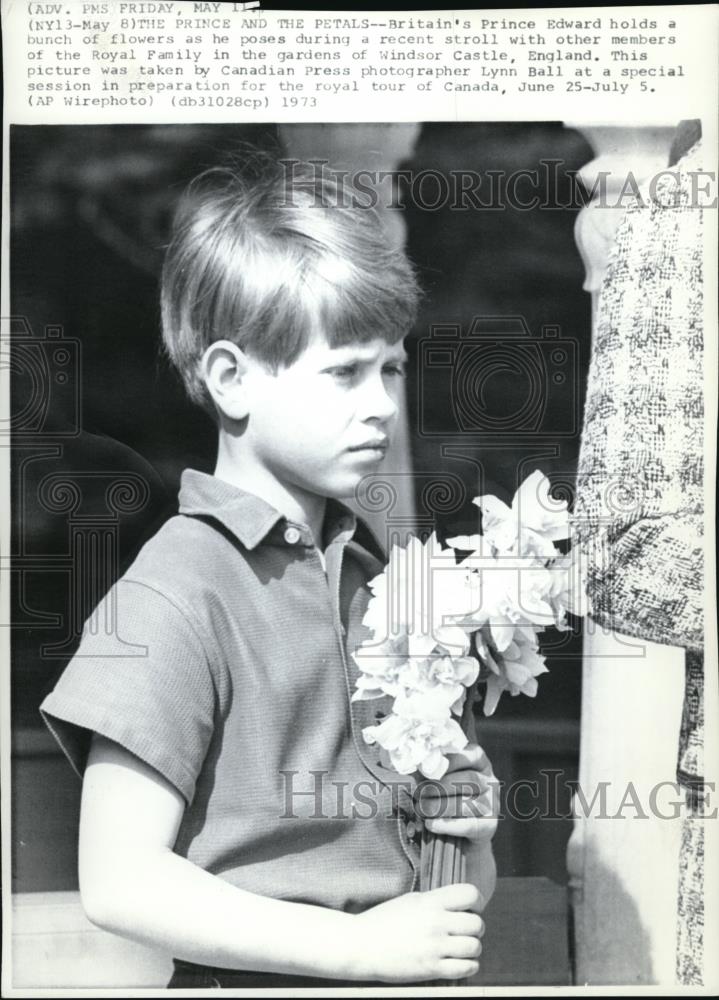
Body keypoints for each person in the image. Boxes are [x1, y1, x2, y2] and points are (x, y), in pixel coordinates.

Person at [40, 151, 497, 988]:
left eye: (390, 366)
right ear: (230, 378)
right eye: (344, 372)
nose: (382, 404)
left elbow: (439, 898)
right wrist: (357, 949)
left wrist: (464, 830)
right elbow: (119, 880)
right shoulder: (174, 591)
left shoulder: (383, 580)